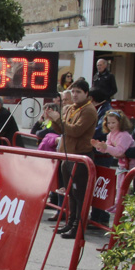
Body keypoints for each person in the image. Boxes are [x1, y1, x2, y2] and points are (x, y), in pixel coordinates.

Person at [47, 78, 97, 239]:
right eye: (73, 92)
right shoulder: (69, 108)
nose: (75, 95)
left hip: (80, 156)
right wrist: (54, 119)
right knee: (70, 193)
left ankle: (78, 226)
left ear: (86, 93)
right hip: (67, 155)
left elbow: (75, 131)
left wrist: (58, 119)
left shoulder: (89, 110)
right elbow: (61, 130)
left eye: (78, 92)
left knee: (79, 193)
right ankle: (70, 222)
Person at [90, 109, 135, 211]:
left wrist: (105, 147)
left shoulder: (124, 135)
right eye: (109, 123)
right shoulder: (110, 135)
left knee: (126, 187)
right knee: (120, 185)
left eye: (113, 122)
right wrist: (99, 146)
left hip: (131, 164)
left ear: (120, 122)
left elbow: (119, 151)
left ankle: (123, 207)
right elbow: (108, 149)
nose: (111, 125)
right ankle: (118, 205)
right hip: (123, 164)